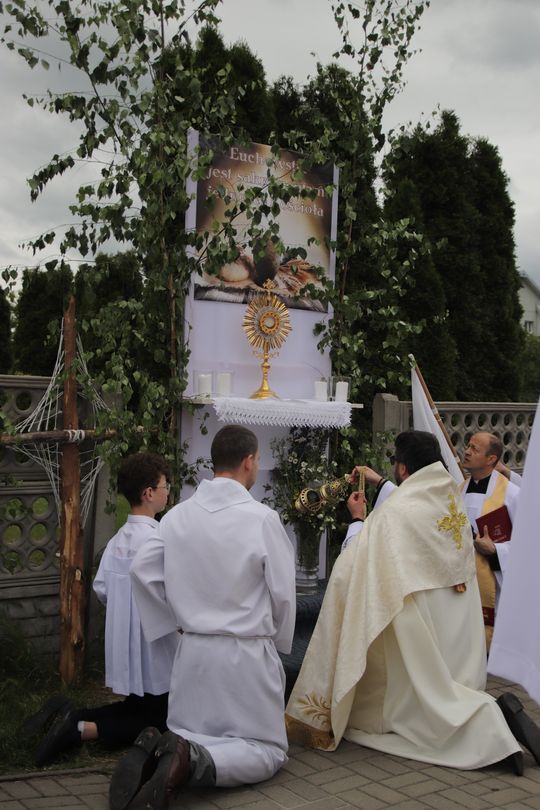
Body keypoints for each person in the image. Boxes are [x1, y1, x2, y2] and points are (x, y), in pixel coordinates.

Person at [286, 430, 540, 773]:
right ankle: (488, 708)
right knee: (446, 691)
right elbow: (407, 506)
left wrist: (358, 521)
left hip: (417, 638)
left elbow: (354, 567)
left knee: (399, 713)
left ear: (403, 469)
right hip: (456, 645)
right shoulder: (451, 499)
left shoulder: (396, 514)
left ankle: (488, 725)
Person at [109, 425, 296, 810]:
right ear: (249, 462)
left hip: (192, 653)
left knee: (191, 731)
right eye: (257, 460)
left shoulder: (177, 517)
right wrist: (276, 644)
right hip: (244, 655)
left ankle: (165, 753)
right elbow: (283, 594)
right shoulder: (261, 519)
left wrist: (172, 624)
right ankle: (189, 761)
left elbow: (141, 570)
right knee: (267, 750)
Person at [28, 452, 178, 767]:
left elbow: (101, 589)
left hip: (127, 642)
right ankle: (78, 728)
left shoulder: (118, 540)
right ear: (148, 494)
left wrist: (125, 616)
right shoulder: (158, 540)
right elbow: (172, 592)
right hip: (155, 645)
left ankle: (69, 711)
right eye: (165, 486)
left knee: (139, 705)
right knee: (160, 722)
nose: (169, 492)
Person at [461, 432, 520, 647]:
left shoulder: (511, 494)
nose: (466, 451)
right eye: (468, 446)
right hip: (463, 577)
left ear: (491, 459)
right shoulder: (457, 491)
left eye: (475, 449)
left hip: (494, 581)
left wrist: (496, 550)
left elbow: (527, 544)